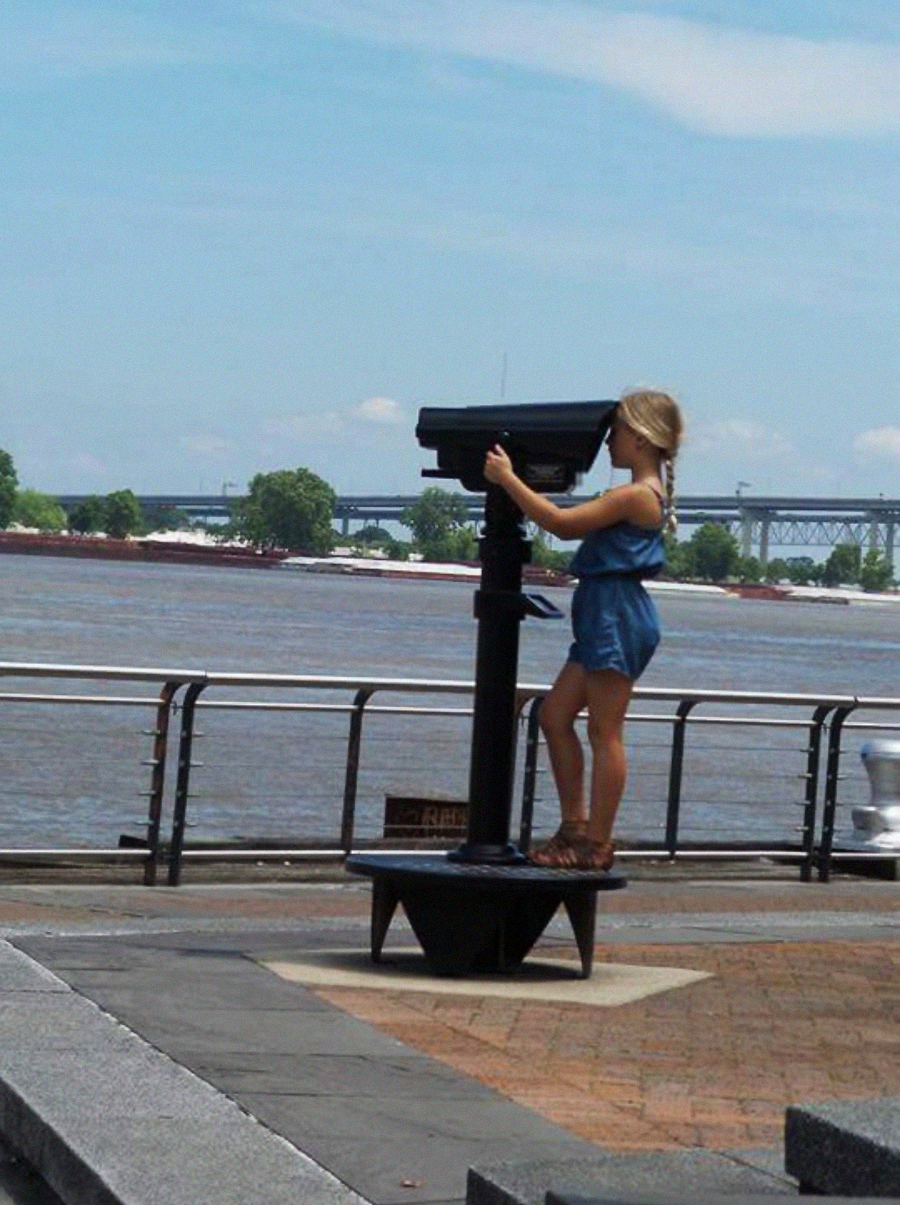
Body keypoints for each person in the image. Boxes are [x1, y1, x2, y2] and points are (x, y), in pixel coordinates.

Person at [483, 389, 683, 870]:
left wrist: (508, 479)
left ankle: (596, 842)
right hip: (602, 611)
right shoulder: (637, 493)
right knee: (554, 717)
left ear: (638, 437)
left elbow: (562, 524)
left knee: (604, 730)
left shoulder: (636, 495)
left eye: (615, 432)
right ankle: (575, 827)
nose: (608, 442)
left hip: (616, 613)